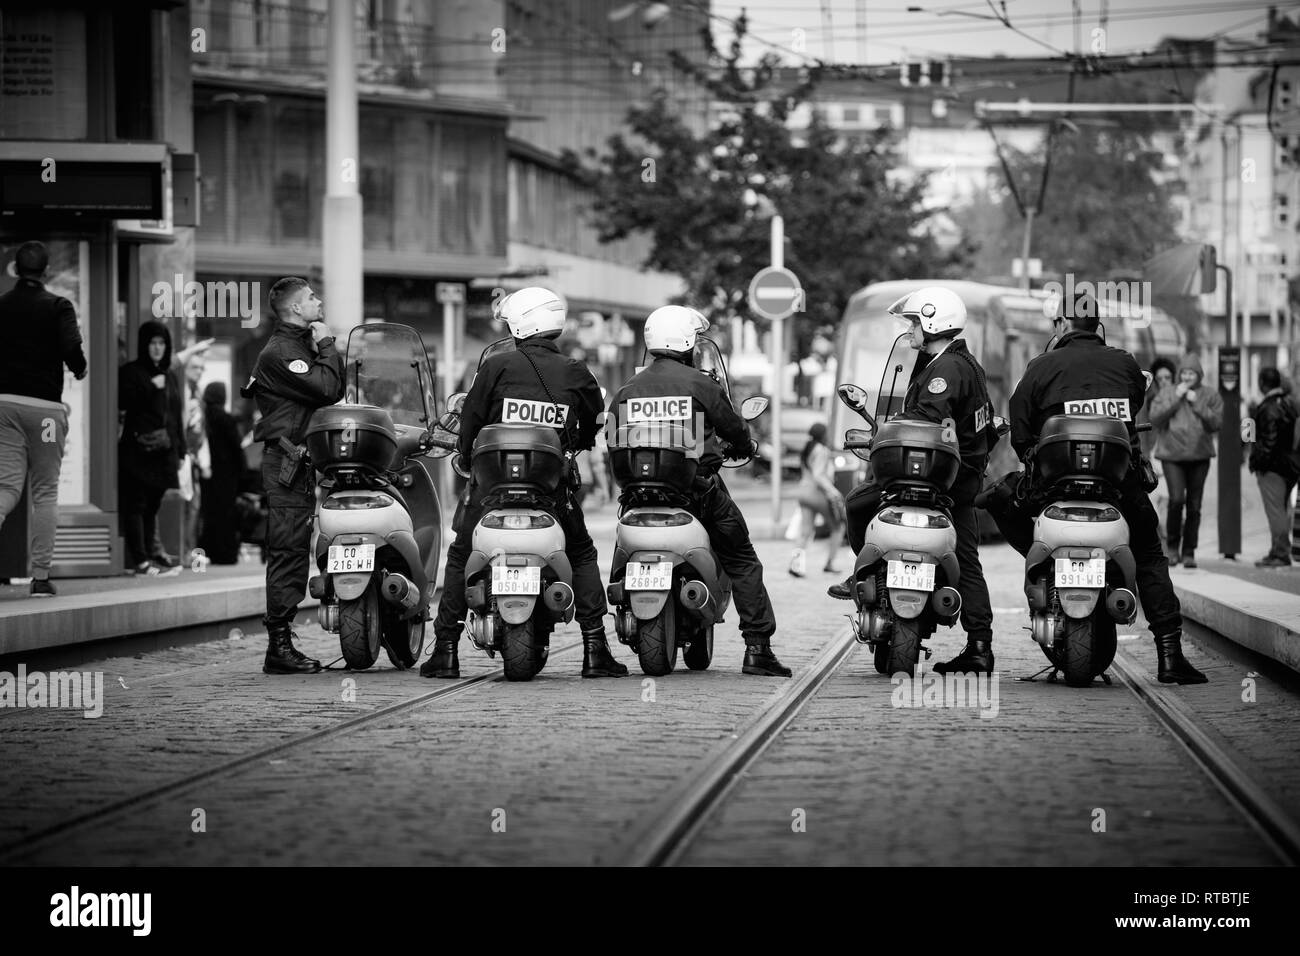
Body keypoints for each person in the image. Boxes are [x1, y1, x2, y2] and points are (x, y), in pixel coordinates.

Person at [988, 290, 1207, 684]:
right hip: (1119, 488)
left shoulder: (1040, 367)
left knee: (1000, 499)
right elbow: (1135, 403)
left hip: (1052, 489)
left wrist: (1035, 453)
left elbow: (1020, 432)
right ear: (1097, 326)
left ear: (1062, 325)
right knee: (1150, 555)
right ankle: (1170, 655)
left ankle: (1043, 579)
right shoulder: (1124, 364)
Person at [421, 286, 626, 680]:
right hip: (552, 493)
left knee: (462, 553)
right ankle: (595, 650)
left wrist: (466, 457)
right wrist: (569, 446)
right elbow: (592, 427)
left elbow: (470, 424)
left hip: (489, 492)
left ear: (518, 324)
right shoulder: (577, 372)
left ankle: (445, 651)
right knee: (582, 553)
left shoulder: (496, 367)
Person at [610, 305, 791, 677]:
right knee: (742, 559)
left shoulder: (627, 390)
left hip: (637, 499)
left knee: (618, 551)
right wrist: (744, 446)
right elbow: (735, 431)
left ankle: (604, 630)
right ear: (690, 343)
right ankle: (758, 648)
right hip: (696, 494)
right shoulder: (700, 384)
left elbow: (613, 445)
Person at [828, 287, 998, 676]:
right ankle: (980, 645)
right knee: (967, 559)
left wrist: (888, 436)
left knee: (858, 502)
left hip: (942, 482)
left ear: (932, 322)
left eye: (914, 322)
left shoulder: (946, 371)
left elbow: (924, 424)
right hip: (963, 480)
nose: (910, 330)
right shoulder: (960, 363)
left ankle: (863, 570)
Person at [240, 277, 345, 674]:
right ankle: (278, 647)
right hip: (287, 465)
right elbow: (326, 388)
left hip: (304, 462)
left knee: (297, 546)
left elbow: (333, 388)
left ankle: (283, 642)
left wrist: (323, 345)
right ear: (296, 309)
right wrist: (326, 343)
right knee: (287, 549)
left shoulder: (299, 345)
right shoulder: (281, 352)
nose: (319, 301)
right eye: (312, 297)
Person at [0, 241, 88, 596]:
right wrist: (79, 369)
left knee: (5, 488)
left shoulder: (1, 306)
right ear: (46, 271)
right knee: (45, 492)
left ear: (17, 271)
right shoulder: (58, 306)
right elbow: (71, 348)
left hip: (4, 406)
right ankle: (39, 578)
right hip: (45, 409)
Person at [118, 320, 186, 576]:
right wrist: (150, 387)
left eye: (161, 343)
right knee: (135, 504)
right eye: (152, 343)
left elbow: (175, 415)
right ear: (144, 345)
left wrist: (181, 450)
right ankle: (140, 560)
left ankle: (151, 553)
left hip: (163, 451)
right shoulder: (131, 372)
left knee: (153, 505)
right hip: (137, 451)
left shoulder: (169, 375)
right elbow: (124, 402)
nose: (157, 348)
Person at [1148, 352, 1222, 569]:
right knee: (1177, 499)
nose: (1188, 377)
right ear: (1180, 374)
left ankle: (1189, 552)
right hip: (1172, 457)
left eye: (1192, 373)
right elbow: (1156, 418)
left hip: (1200, 457)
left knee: (1195, 505)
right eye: (1185, 373)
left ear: (1199, 375)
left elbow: (1216, 422)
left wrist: (1196, 401)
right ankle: (1172, 548)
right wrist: (1176, 397)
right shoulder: (1168, 392)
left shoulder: (1209, 394)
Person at [1249, 367, 1298, 568]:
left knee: (1275, 511)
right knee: (1283, 508)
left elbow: (1269, 441)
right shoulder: (1290, 403)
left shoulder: (1268, 407)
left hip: (1273, 468)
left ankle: (1280, 553)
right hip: (1290, 465)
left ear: (1262, 383)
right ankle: (1277, 549)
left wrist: (1256, 462)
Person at [199, 381, 246, 565]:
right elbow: (236, 448)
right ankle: (225, 555)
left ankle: (202, 555)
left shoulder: (204, 417)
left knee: (206, 515)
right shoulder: (226, 420)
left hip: (206, 473)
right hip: (226, 476)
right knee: (226, 516)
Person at [789, 422, 844, 577]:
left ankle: (795, 566)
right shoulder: (822, 450)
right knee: (838, 527)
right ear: (823, 434)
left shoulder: (807, 449)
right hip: (816, 494)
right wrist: (833, 491)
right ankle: (829, 564)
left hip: (803, 492)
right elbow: (818, 475)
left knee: (805, 531)